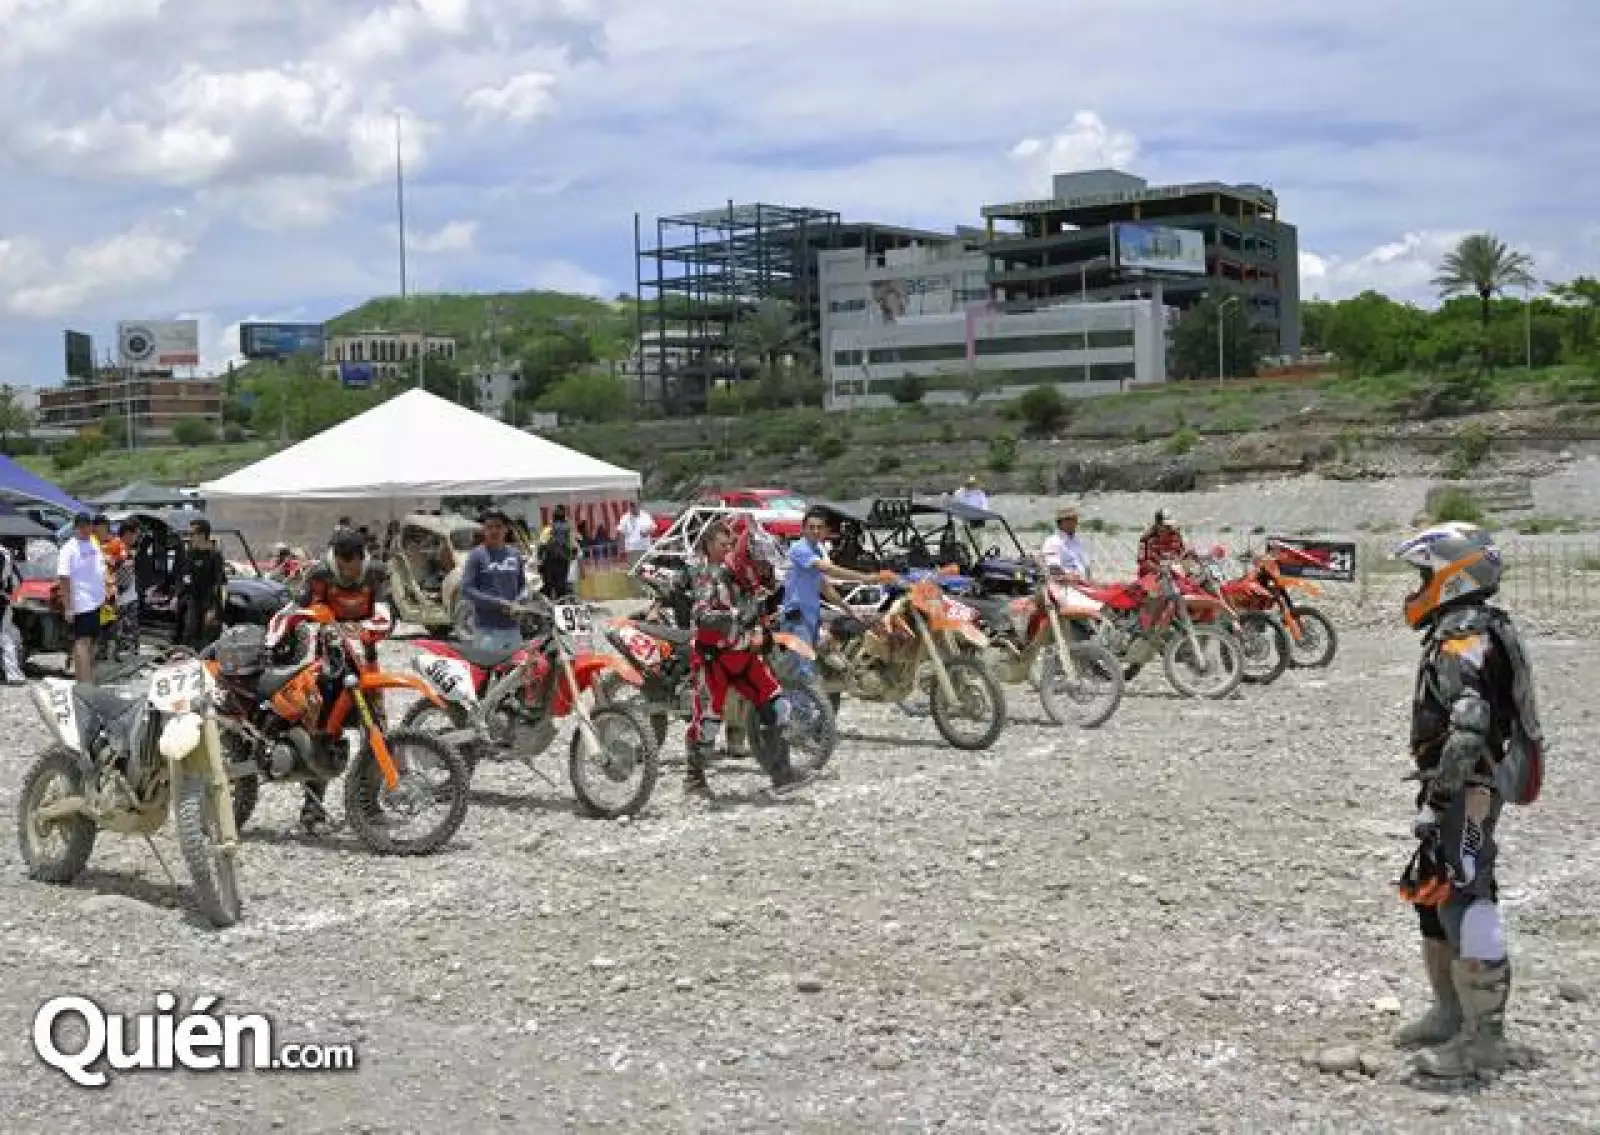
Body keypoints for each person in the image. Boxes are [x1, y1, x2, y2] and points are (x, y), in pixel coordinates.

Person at [1390, 523, 1542, 1079]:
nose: (1418, 585)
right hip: (1460, 783)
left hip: (1470, 788)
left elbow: (1470, 725)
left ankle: (1484, 1039)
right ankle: (1450, 1013)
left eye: (1425, 573)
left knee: (1465, 893)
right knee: (1435, 893)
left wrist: (1440, 797)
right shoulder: (1474, 627)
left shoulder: (1463, 636)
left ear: (1452, 576)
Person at [683, 519, 812, 799]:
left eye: (730, 543)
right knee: (707, 722)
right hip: (714, 658)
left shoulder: (749, 579)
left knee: (778, 708)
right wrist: (733, 617)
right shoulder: (708, 575)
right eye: (722, 543)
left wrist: (769, 624)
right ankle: (694, 777)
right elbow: (700, 615)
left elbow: (759, 611)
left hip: (744, 656)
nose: (728, 549)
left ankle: (782, 773)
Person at [296, 527, 393, 835]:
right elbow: (305, 607)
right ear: (335, 560)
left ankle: (367, 803)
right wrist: (320, 618)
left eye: (354, 568)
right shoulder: (319, 574)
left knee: (377, 730)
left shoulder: (377, 574)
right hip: (329, 661)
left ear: (363, 558)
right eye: (343, 567)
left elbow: (390, 613)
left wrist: (370, 628)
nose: (348, 575)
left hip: (367, 661)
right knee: (321, 730)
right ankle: (312, 807)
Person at [782, 507, 893, 678]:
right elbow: (828, 569)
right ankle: (797, 703)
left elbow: (825, 588)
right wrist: (865, 578)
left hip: (812, 616)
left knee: (822, 666)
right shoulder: (799, 549)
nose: (815, 531)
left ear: (826, 530)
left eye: (819, 527)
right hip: (797, 619)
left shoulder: (816, 551)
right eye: (811, 527)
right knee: (802, 672)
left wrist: (851, 612)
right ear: (803, 529)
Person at [459, 508, 527, 654]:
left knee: (514, 671)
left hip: (512, 629)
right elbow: (466, 589)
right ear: (483, 530)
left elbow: (523, 585)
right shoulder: (476, 555)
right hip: (486, 629)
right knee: (488, 673)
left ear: (506, 529)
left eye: (498, 526)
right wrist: (498, 604)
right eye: (489, 527)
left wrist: (521, 601)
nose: (494, 531)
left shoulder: (515, 554)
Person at [56, 512, 105, 684]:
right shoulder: (69, 548)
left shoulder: (93, 542)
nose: (85, 529)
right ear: (75, 527)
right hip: (81, 602)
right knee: (82, 642)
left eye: (87, 525)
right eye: (81, 526)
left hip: (96, 601)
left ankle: (86, 677)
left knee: (93, 642)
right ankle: (83, 683)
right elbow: (64, 578)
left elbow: (99, 568)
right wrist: (68, 606)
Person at [175, 517, 227, 649]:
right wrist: (178, 596)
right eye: (189, 534)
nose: (190, 537)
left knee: (208, 642)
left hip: (209, 603)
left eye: (192, 534)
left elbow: (219, 584)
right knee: (189, 637)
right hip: (193, 602)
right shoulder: (190, 554)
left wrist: (213, 609)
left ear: (203, 535)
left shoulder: (215, 556)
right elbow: (185, 576)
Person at [109, 518, 141, 659]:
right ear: (128, 533)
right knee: (120, 630)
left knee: (131, 629)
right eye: (136, 534)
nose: (137, 538)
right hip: (120, 597)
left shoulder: (128, 548)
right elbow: (110, 570)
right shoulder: (116, 546)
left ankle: (131, 654)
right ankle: (119, 656)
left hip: (130, 596)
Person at [538, 505, 579, 599]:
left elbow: (542, 545)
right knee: (561, 586)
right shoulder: (569, 530)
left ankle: (548, 609)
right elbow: (574, 547)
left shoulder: (548, 529)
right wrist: (571, 557)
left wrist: (540, 560)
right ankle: (561, 606)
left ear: (553, 517)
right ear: (564, 517)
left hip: (550, 561)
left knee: (548, 586)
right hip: (564, 560)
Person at [1041, 506, 1091, 580]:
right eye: (1069, 520)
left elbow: (1086, 566)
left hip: (1082, 583)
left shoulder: (1076, 541)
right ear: (1060, 523)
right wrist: (1069, 576)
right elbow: (1053, 569)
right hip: (1065, 585)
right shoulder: (1053, 542)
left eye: (1074, 519)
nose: (1073, 523)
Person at [0, 536, 25, 684]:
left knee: (5, 636)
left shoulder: (2, 555)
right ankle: (12, 672)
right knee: (10, 635)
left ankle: (13, 673)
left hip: (2, 601)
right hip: (5, 600)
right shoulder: (6, 555)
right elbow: (17, 581)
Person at [1136, 509, 1187, 578]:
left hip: (1173, 573)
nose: (1168, 528)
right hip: (1151, 576)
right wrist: (1160, 570)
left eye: (1169, 525)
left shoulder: (1176, 536)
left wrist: (1181, 559)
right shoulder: (1145, 539)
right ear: (1157, 525)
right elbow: (1142, 562)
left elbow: (1182, 554)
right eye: (1165, 526)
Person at [617, 500, 657, 567]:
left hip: (645, 547)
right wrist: (621, 548)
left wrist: (647, 533)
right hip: (632, 548)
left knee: (647, 567)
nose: (636, 509)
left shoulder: (646, 515)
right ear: (631, 507)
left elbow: (653, 527)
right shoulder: (625, 518)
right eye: (634, 507)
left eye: (637, 507)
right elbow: (621, 533)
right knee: (634, 568)